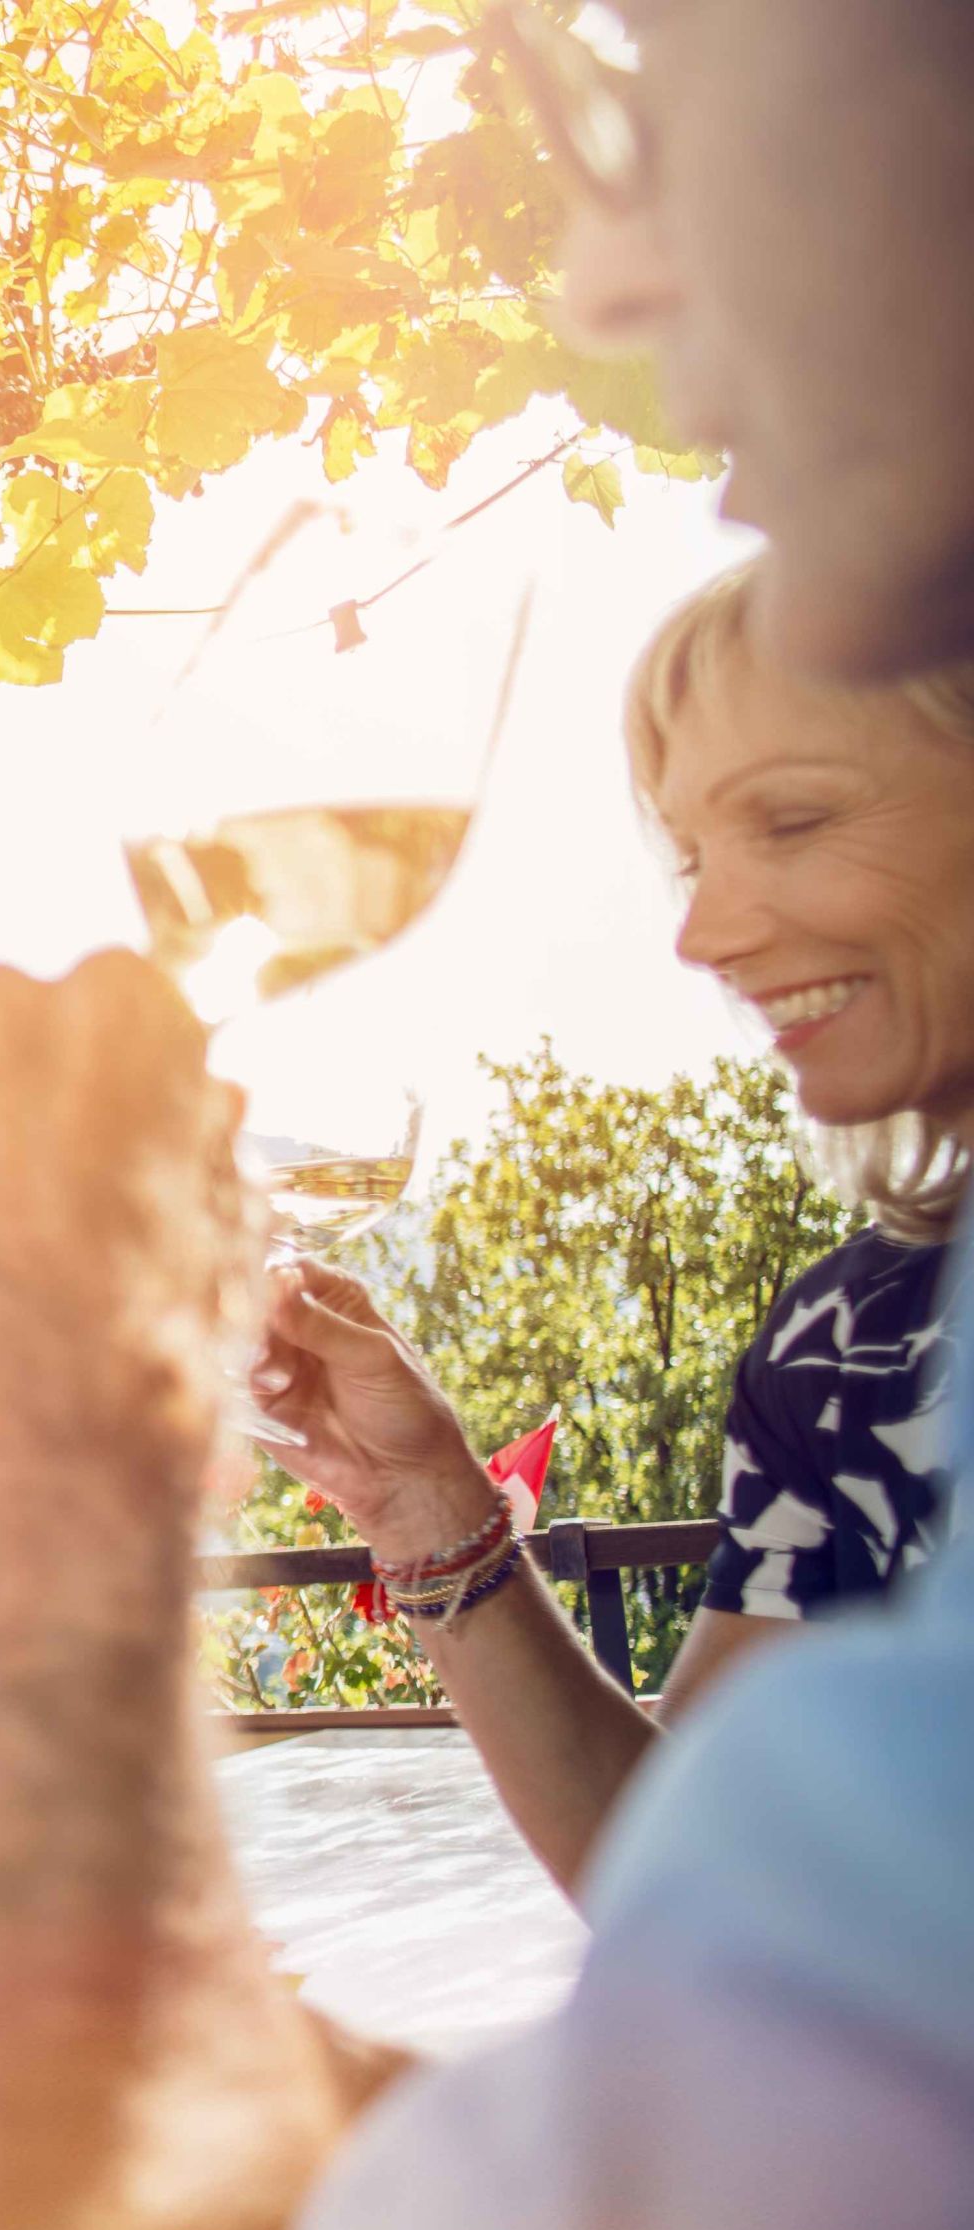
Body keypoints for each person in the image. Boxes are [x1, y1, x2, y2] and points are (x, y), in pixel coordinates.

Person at [0, 4, 974, 2230]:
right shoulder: (887, 1334)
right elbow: (764, 2079)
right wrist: (435, 1545)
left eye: (648, 88)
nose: (600, 253)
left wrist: (20, 1440)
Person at [260, 563, 974, 1888]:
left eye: (794, 821)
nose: (702, 931)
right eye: (693, 856)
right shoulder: (843, 1355)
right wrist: (423, 1500)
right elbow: (682, 1874)